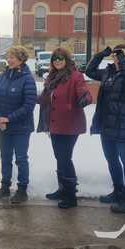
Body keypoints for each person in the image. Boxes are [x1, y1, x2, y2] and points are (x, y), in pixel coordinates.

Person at [86, 45, 125, 214]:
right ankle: (118, 191)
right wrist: (101, 54)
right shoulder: (108, 72)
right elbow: (89, 71)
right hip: (107, 124)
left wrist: (122, 61)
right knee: (112, 159)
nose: (117, 58)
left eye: (122, 54)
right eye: (115, 55)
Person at [36, 48, 92, 209]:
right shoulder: (52, 77)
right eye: (55, 59)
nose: (57, 61)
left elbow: (84, 92)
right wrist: (28, 97)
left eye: (61, 58)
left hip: (70, 124)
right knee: (59, 157)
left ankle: (70, 195)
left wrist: (84, 98)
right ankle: (62, 189)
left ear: (66, 60)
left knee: (64, 158)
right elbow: (45, 98)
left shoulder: (75, 76)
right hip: (54, 124)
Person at [0, 46, 37, 204]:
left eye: (13, 57)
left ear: (21, 59)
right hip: (4, 126)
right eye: (8, 56)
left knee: (21, 158)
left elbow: (29, 105)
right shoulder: (3, 76)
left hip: (21, 128)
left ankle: (22, 189)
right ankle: (5, 187)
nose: (9, 59)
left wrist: (8, 118)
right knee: (5, 157)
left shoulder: (27, 78)